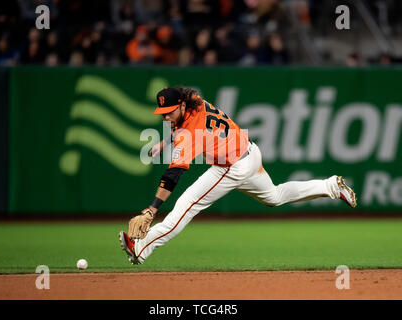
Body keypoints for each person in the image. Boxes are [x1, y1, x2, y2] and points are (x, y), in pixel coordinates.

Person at [119, 87, 357, 265]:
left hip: (231, 167)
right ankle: (331, 187)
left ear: (181, 105)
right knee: (274, 196)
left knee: (186, 206)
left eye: (169, 112)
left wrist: (152, 208)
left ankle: (141, 249)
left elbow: (173, 174)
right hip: (250, 152)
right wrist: (163, 142)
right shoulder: (196, 103)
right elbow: (182, 125)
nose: (165, 117)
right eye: (162, 113)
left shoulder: (188, 133)